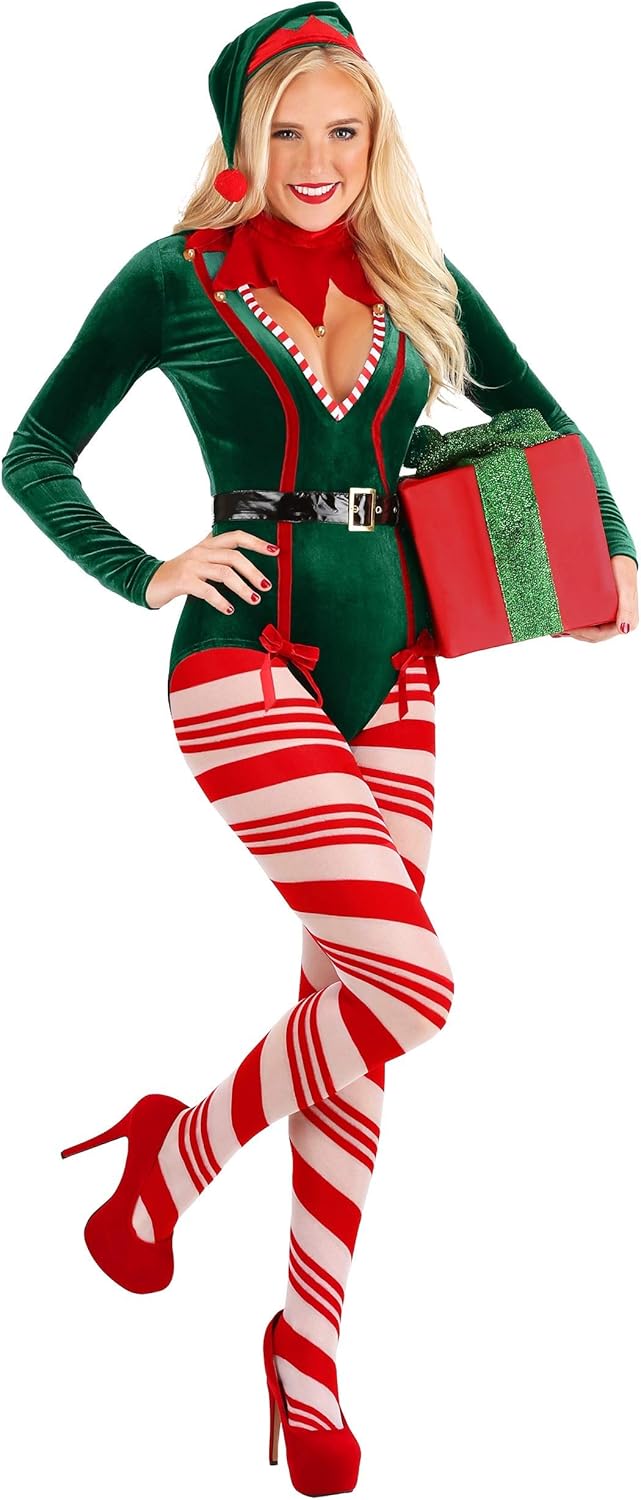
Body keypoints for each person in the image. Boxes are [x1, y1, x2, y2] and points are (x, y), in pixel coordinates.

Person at [2, 4, 638, 1494]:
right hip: (243, 661)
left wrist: (602, 557)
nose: (314, 158)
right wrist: (146, 568)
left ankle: (306, 1355)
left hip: (401, 670)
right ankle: (173, 1160)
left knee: (358, 1016)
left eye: (343, 129)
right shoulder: (176, 276)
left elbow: (542, 422)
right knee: (413, 987)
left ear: (375, 138)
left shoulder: (417, 275)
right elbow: (32, 452)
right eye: (284, 128)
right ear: (240, 137)